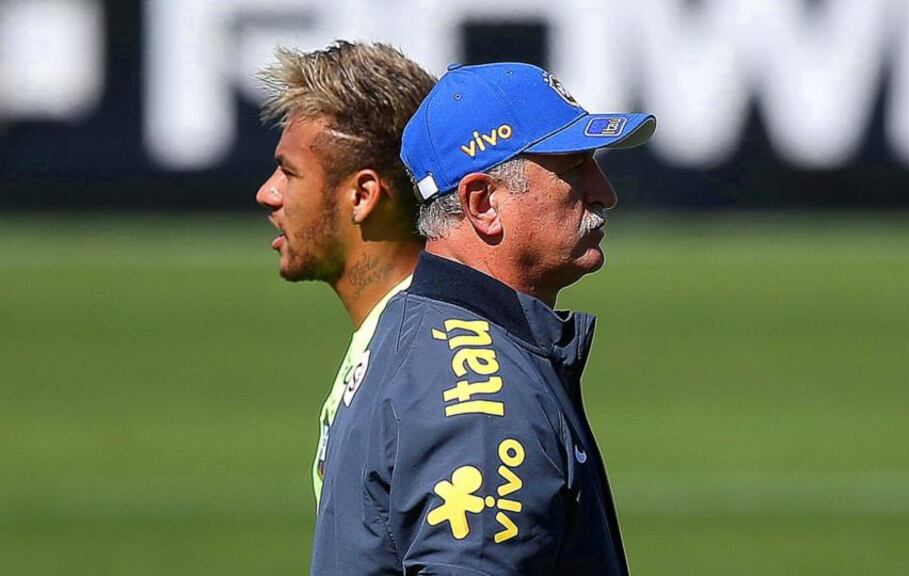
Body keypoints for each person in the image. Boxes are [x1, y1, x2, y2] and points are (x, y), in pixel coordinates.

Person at [311, 61, 655, 575]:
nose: (605, 192)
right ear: (482, 202)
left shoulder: (409, 326)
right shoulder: (483, 409)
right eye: (574, 166)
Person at [254, 41, 435, 506]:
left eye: (287, 173)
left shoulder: (424, 365)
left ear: (362, 196)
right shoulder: (393, 337)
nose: (267, 194)